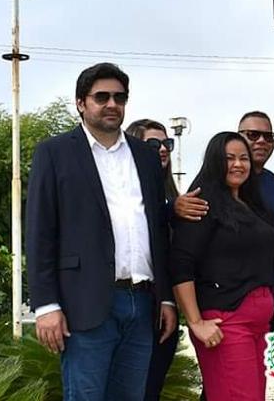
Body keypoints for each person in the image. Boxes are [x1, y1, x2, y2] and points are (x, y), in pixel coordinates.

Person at [25, 64, 177, 401]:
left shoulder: (145, 158)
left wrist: (165, 297)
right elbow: (39, 233)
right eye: (102, 97)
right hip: (86, 305)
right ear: (81, 103)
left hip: (142, 304)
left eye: (119, 97)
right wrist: (46, 305)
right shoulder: (55, 153)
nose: (112, 104)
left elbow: (156, 230)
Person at [170, 132, 274, 401]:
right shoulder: (201, 203)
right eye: (229, 159)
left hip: (258, 325)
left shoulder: (251, 207)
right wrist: (196, 322)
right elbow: (181, 263)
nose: (238, 164)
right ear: (215, 162)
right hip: (225, 323)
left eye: (243, 158)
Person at [126, 119, 182, 401]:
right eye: (153, 143)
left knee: (150, 391)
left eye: (167, 144)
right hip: (131, 305)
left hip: (166, 312)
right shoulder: (126, 196)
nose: (162, 149)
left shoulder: (175, 196)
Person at [234, 111, 274, 288]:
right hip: (230, 296)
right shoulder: (221, 180)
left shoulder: (273, 183)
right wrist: (176, 206)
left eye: (268, 136)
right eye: (253, 135)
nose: (261, 141)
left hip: (266, 291)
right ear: (237, 138)